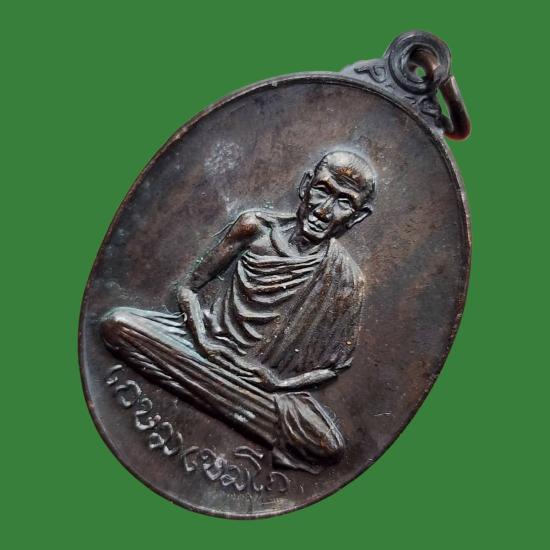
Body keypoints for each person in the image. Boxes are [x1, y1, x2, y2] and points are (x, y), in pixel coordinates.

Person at [102, 150, 376, 473]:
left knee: (326, 446)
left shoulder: (347, 279)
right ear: (306, 185)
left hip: (263, 385)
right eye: (323, 190)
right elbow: (189, 288)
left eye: (344, 202)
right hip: (204, 346)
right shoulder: (254, 227)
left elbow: (332, 369)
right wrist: (204, 341)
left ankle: (216, 392)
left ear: (357, 217)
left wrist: (277, 383)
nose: (324, 210)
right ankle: (230, 402)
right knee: (118, 325)